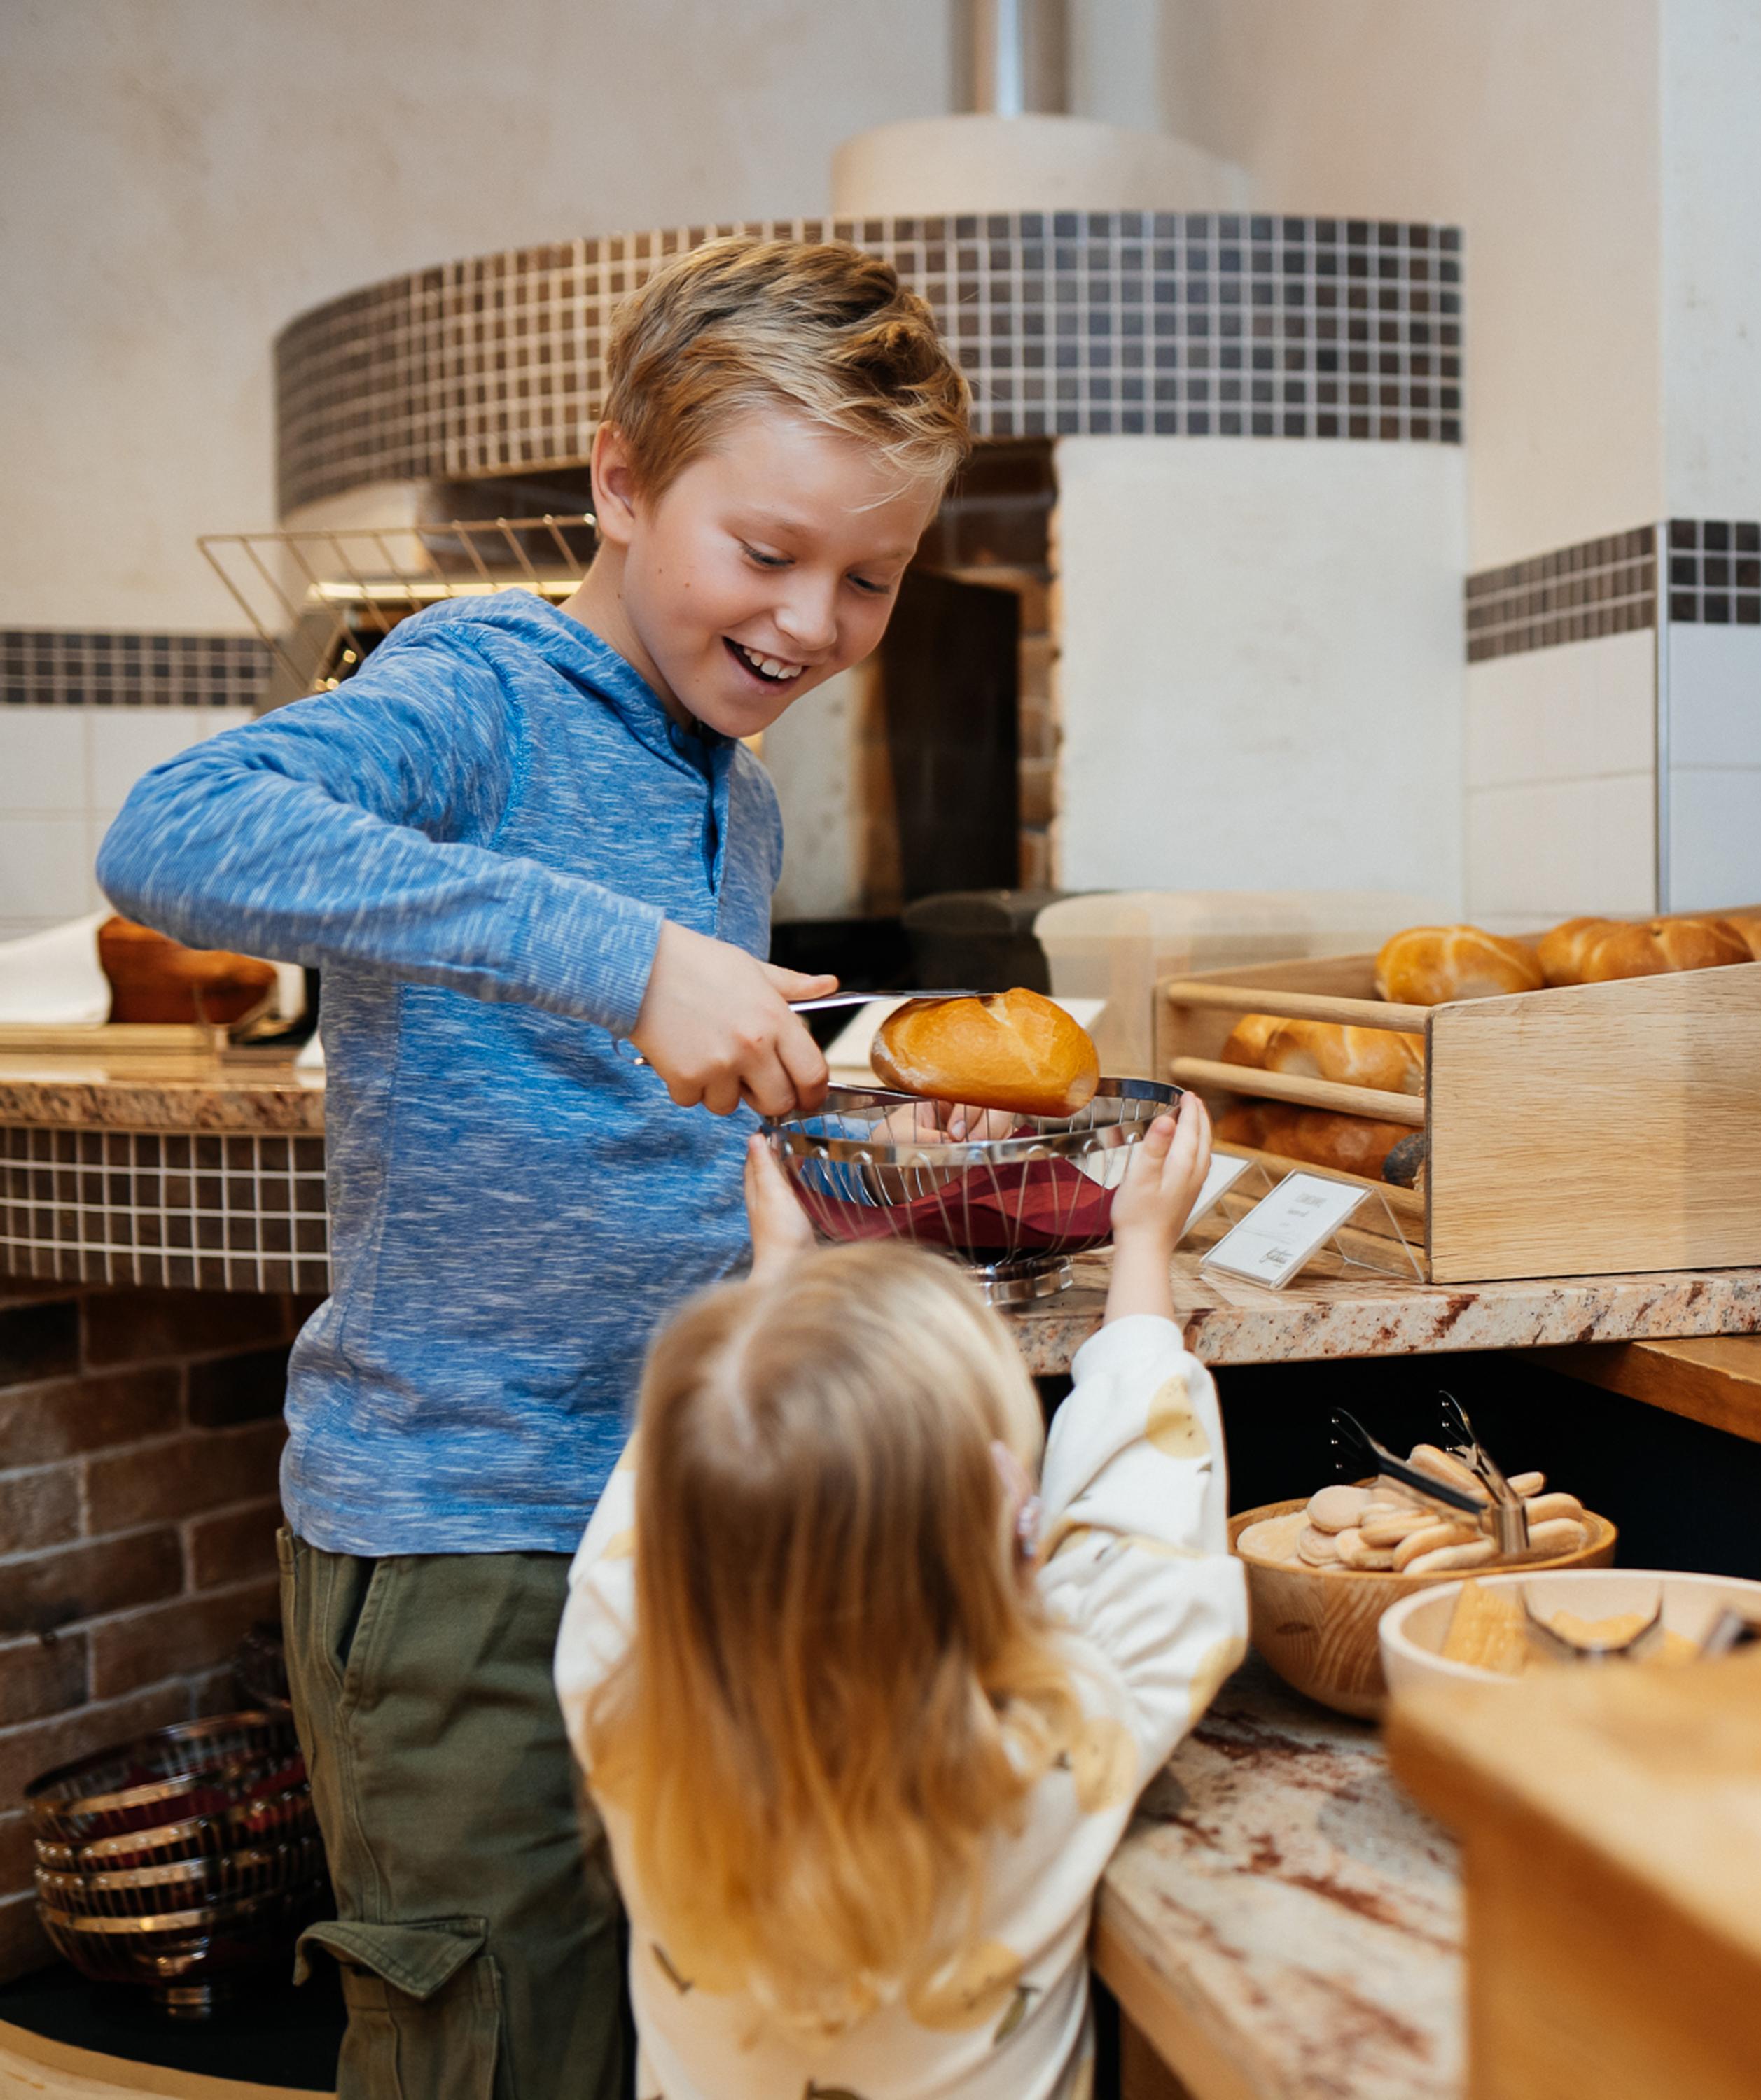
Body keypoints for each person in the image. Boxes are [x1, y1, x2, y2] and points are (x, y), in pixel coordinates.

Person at [93, 237, 969, 2095]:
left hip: (676, 1519)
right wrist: (627, 956)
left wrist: (826, 1141)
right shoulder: (481, 686)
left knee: (655, 2038)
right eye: (767, 552)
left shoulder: (734, 783)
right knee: (492, 2050)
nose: (812, 622)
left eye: (868, 578)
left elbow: (639, 1112)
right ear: (622, 482)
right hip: (466, 1541)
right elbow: (175, 831)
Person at [555, 1096, 1248, 2100]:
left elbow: (663, 1513)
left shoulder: (627, 1715)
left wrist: (777, 1279)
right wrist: (1142, 1247)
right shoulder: (1056, 1752)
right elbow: (1147, 1519)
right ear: (987, 1538)